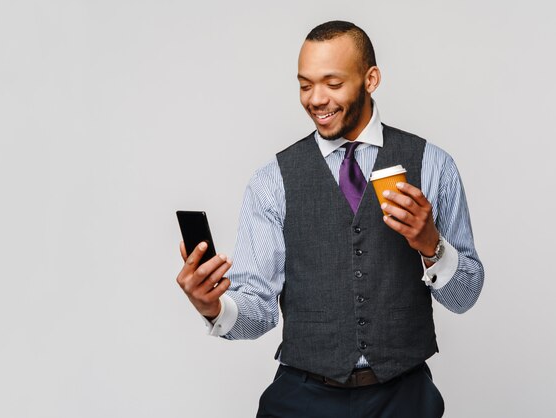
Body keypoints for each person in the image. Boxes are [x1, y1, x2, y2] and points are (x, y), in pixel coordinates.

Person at [176, 20, 484, 418]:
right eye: (305, 85)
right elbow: (258, 312)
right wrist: (214, 308)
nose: (316, 99)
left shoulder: (433, 165)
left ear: (370, 79)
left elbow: (465, 296)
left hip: (404, 399)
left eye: (332, 84)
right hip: (302, 399)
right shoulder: (272, 181)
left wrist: (431, 246)